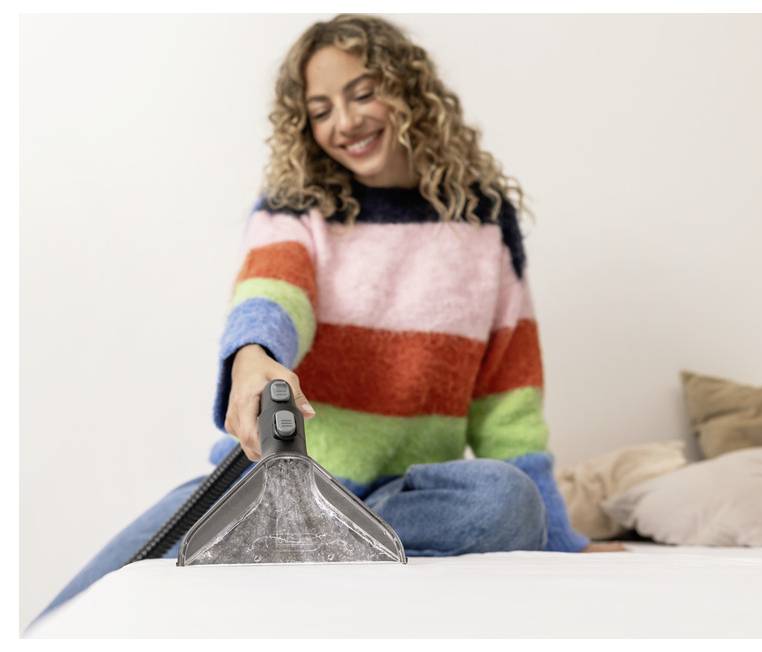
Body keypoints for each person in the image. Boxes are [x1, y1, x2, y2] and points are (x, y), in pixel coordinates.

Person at [32, 13, 620, 627]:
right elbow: (274, 290)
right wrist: (254, 356)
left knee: (505, 499)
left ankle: (296, 544)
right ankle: (287, 530)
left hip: (401, 501)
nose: (345, 121)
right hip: (275, 486)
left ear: (410, 90)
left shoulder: (484, 225)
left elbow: (509, 405)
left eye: (363, 93)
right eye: (321, 109)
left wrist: (559, 537)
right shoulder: (298, 207)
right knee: (95, 592)